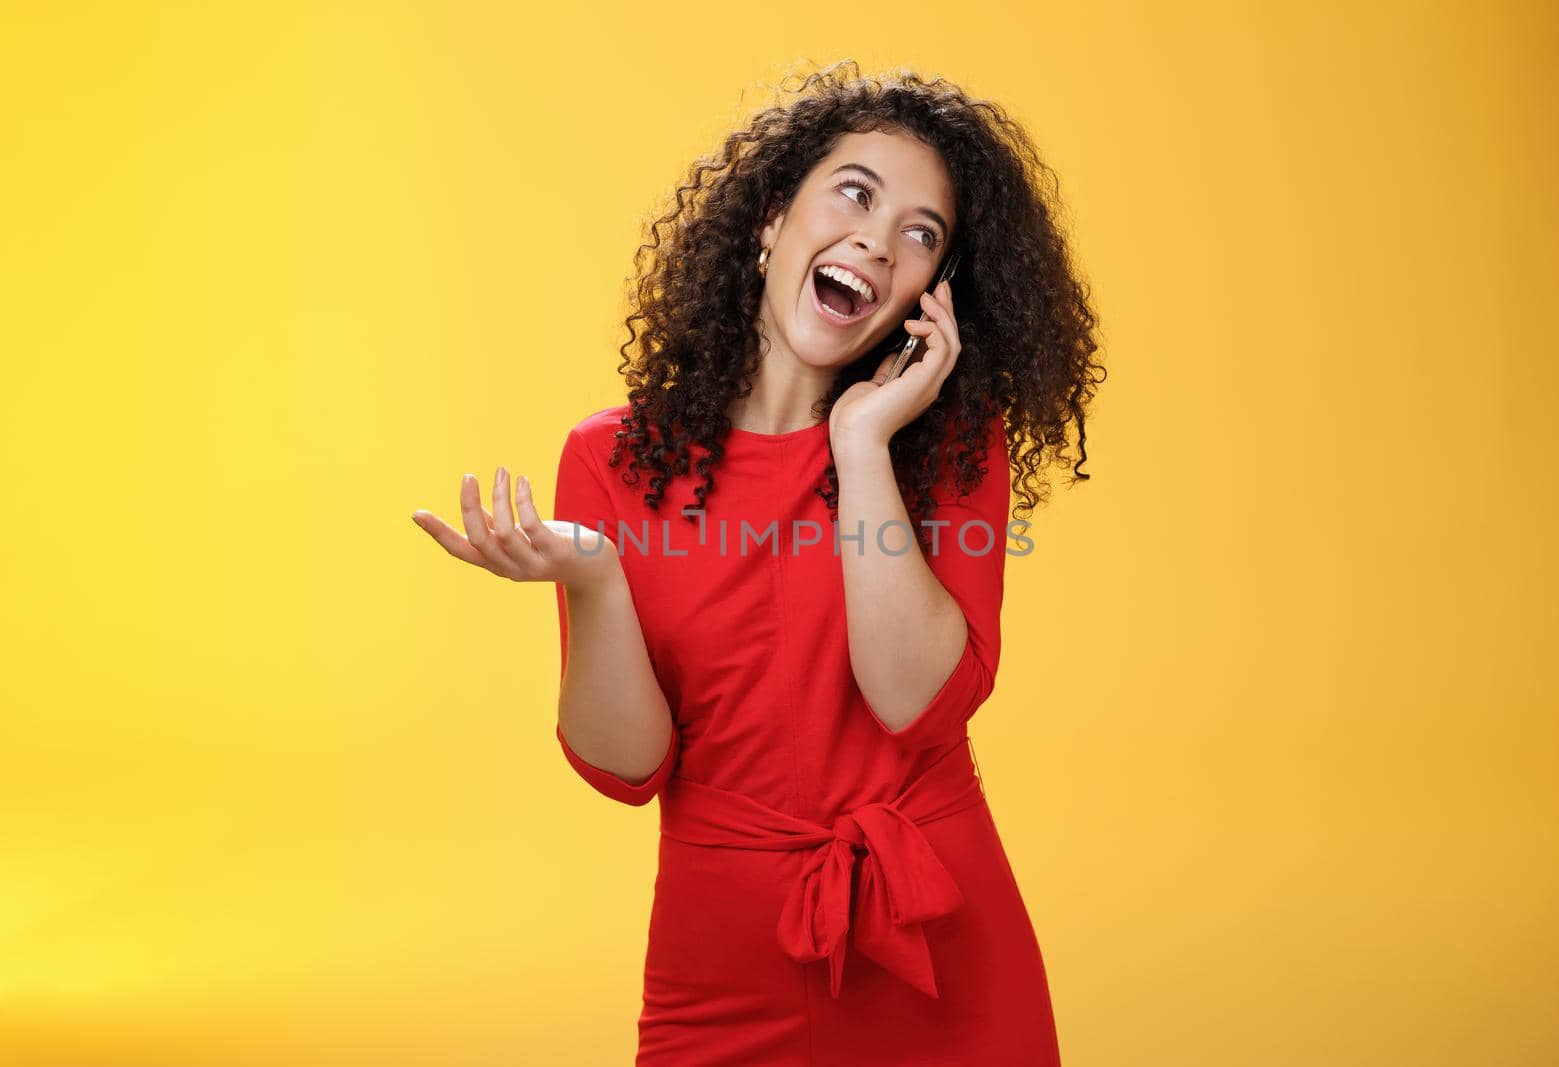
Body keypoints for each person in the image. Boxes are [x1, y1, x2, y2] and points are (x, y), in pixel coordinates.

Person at [413, 61, 1103, 1066]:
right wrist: (596, 575)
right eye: (856, 194)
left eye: (922, 233)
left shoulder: (950, 447)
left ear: (930, 292)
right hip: (724, 956)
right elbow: (626, 766)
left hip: (940, 946)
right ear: (771, 220)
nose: (878, 237)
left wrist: (862, 443)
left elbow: (915, 698)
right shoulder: (609, 459)